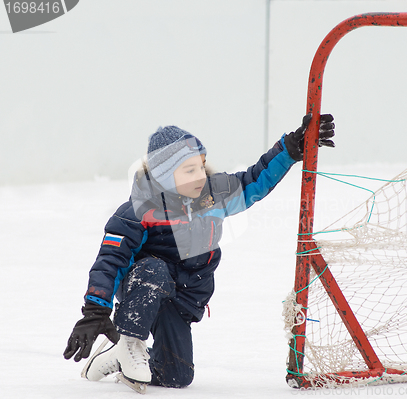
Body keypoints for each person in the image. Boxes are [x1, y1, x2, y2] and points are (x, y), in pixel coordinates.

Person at [63, 113, 335, 391]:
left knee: (176, 378)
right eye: (189, 170)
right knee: (153, 268)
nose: (200, 175)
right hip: (143, 291)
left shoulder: (210, 197)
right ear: (164, 176)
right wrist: (95, 312)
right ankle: (130, 342)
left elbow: (254, 180)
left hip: (182, 298)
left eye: (201, 167)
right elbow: (110, 262)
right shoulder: (136, 212)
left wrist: (289, 150)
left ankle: (119, 358)